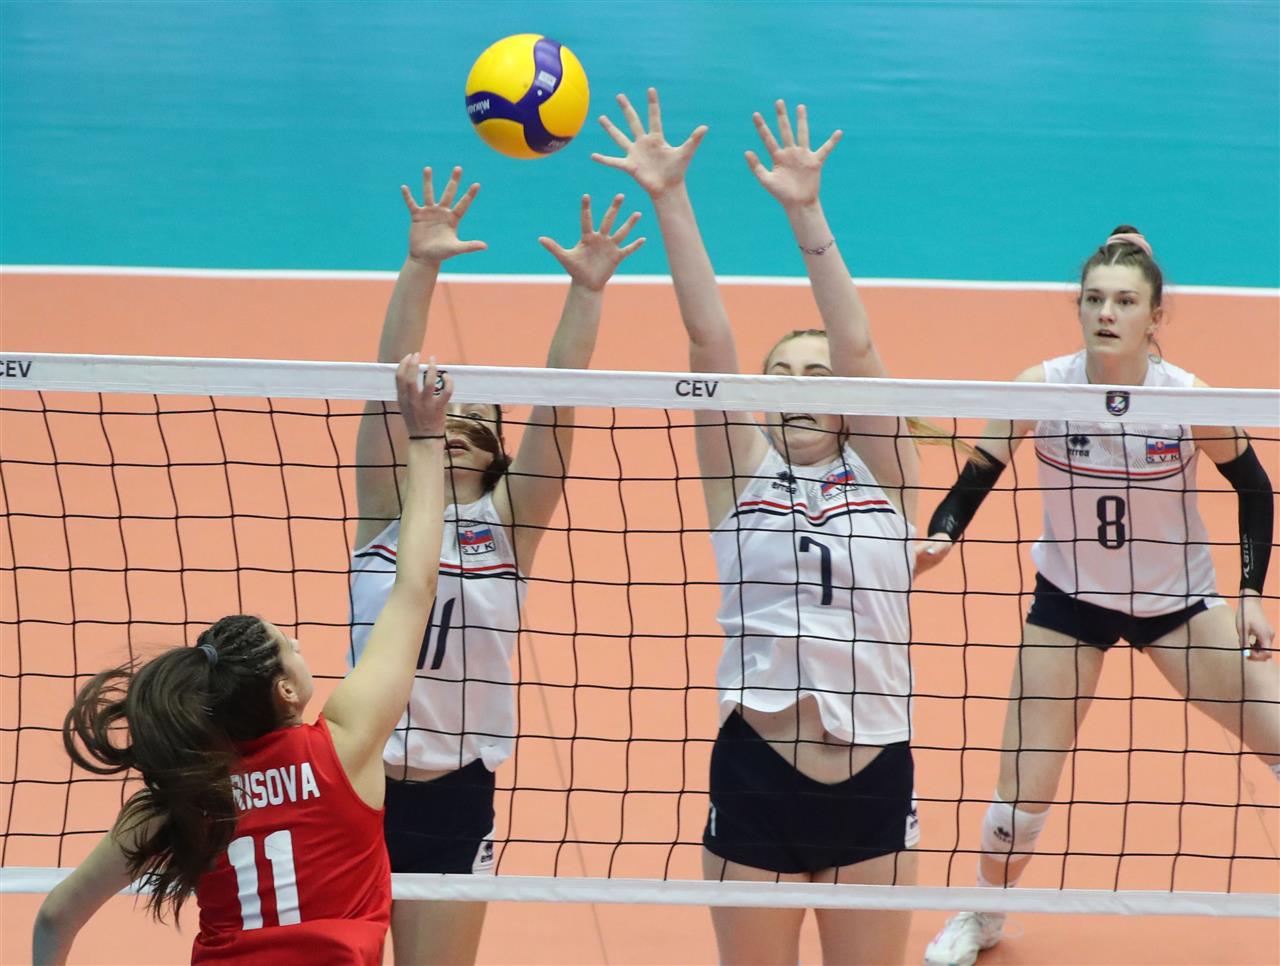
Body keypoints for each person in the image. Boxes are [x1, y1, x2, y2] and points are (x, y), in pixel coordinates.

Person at [594, 89, 920, 965]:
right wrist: (670, 198)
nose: (800, 387)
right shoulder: (741, 475)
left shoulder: (888, 478)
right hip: (756, 774)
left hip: (875, 776)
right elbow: (709, 342)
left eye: (817, 374)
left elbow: (858, 348)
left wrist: (807, 214)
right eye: (782, 374)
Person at [917, 226, 1279, 966]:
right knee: (1020, 794)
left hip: (1177, 605)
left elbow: (1254, 486)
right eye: (1093, 299)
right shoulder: (1042, 386)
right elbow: (978, 473)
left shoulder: (1186, 399)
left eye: (1124, 301)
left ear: (1155, 316)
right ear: (1078, 306)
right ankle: (982, 915)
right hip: (1071, 602)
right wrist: (941, 535)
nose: (1106, 312)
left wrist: (1250, 592)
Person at [32, 356, 451, 965]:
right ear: (284, 691)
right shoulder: (345, 745)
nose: (300, 645)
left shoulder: (183, 796)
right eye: (289, 646)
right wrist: (426, 436)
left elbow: (55, 917)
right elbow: (415, 587)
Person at [349, 166, 643, 965]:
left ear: (498, 453)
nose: (458, 420)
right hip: (356, 778)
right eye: (447, 409)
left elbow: (559, 401)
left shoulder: (508, 528)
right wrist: (421, 265)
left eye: (478, 417)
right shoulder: (384, 511)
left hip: (456, 788)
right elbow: (388, 382)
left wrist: (586, 292)